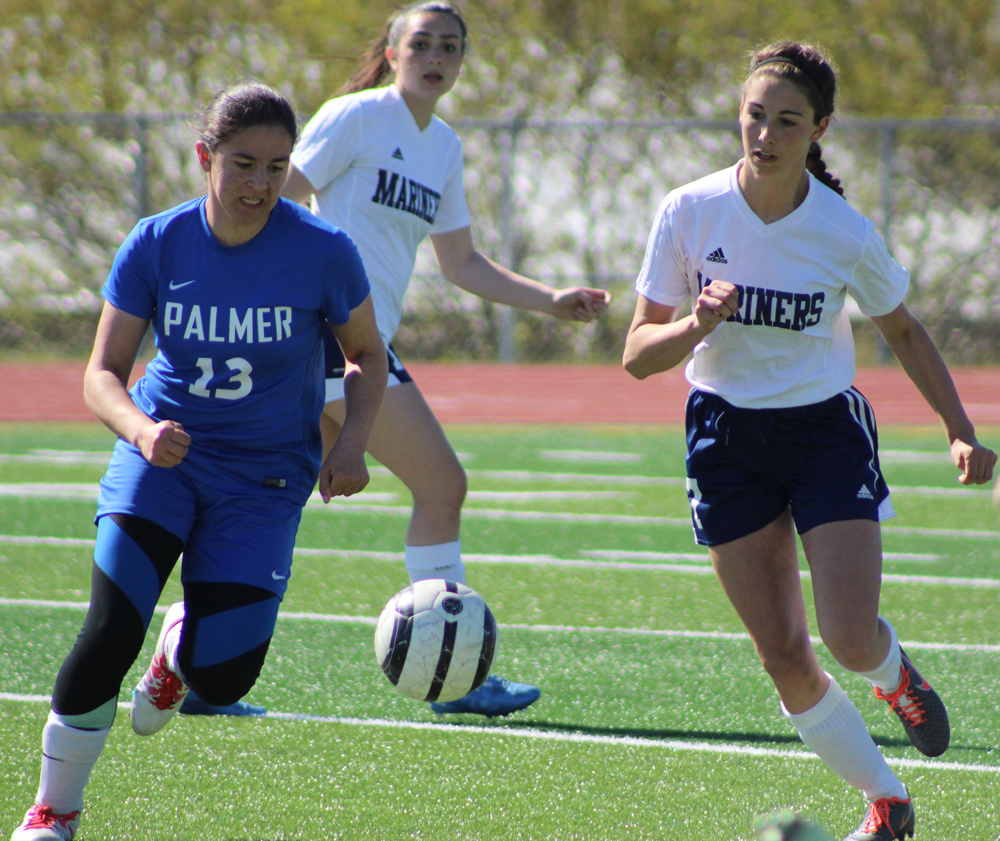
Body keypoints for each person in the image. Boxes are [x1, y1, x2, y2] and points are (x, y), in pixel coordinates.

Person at [623, 41, 996, 841]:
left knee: (849, 635)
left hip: (824, 430)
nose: (765, 134)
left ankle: (895, 675)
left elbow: (903, 327)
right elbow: (635, 357)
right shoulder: (688, 210)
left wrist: (959, 429)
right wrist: (697, 321)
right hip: (723, 437)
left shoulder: (842, 230)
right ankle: (888, 801)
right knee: (784, 653)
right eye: (755, 115)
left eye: (787, 121)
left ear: (819, 128)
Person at [10, 81, 388, 841]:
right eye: (243, 164)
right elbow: (102, 373)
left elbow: (367, 355)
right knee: (111, 628)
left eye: (277, 167)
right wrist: (142, 431)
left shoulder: (323, 251)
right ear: (204, 157)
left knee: (224, 678)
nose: (260, 184)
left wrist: (349, 444)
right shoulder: (157, 241)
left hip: (267, 476)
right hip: (162, 461)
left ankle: (183, 647)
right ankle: (55, 806)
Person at [280, 1, 611, 717]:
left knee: (266, 502)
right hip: (326, 336)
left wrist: (550, 300)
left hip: (362, 343)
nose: (436, 56)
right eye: (422, 43)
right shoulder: (356, 116)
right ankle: (455, 678)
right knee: (442, 483)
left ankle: (190, 661)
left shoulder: (444, 146)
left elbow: (461, 263)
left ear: (462, 62)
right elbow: (279, 199)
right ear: (394, 53)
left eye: (450, 47)